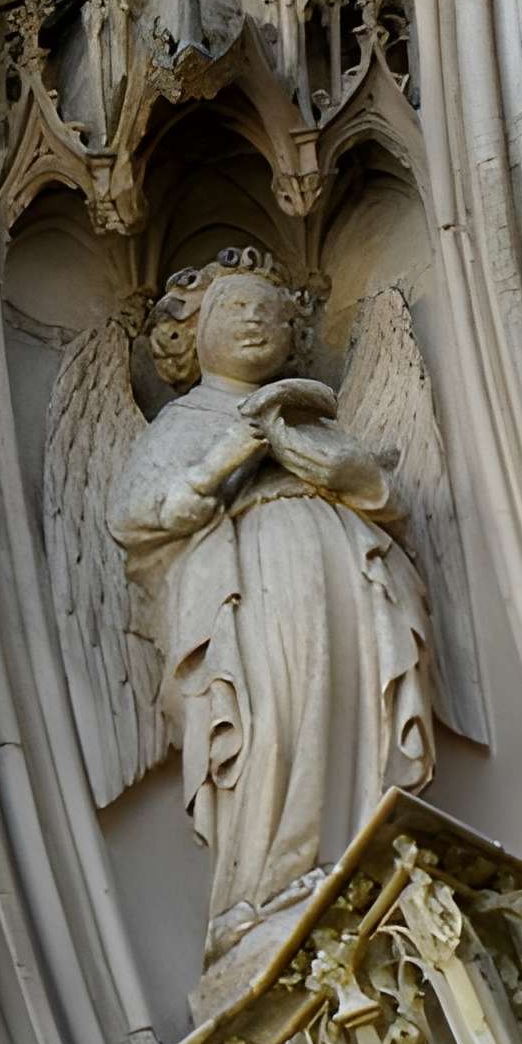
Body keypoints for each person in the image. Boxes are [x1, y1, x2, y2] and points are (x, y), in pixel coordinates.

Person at [109, 250, 434, 966]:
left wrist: (352, 474)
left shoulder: (318, 421)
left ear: (295, 332)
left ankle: (357, 866)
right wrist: (222, 461)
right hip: (251, 591)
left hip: (349, 586)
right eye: (234, 309)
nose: (253, 319)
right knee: (273, 720)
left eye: (269, 310)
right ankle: (260, 892)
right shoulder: (186, 421)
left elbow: (392, 505)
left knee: (346, 706)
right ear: (190, 336)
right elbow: (137, 514)